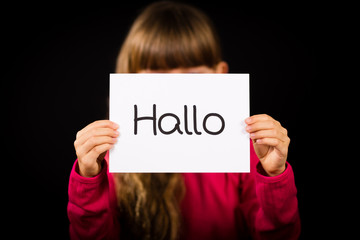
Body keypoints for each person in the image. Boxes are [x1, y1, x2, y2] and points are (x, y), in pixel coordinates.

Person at [68, 2, 300, 239]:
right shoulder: (111, 157)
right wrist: (89, 180)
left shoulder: (248, 154)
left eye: (193, 75)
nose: (176, 89)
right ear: (131, 78)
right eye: (158, 74)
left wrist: (273, 175)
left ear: (220, 74)